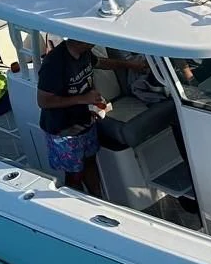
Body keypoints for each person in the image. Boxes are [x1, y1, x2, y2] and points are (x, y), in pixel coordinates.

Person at [37, 38, 144, 197]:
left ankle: (98, 198)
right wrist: (83, 99)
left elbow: (100, 63)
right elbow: (43, 101)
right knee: (74, 175)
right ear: (80, 40)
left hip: (85, 121)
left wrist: (131, 65)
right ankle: (76, 204)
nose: (94, 41)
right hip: (64, 130)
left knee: (90, 162)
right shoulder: (53, 64)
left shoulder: (85, 52)